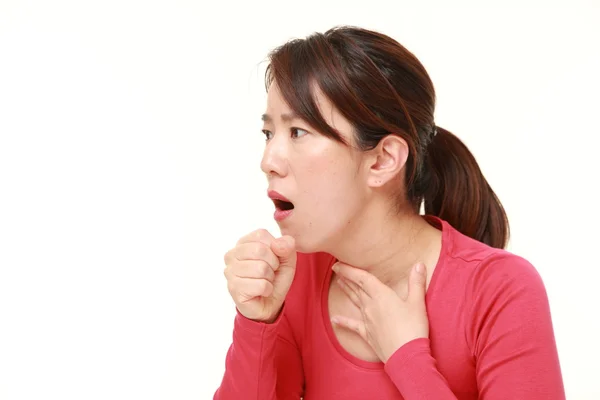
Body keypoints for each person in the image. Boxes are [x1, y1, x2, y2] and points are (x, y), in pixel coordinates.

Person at [213, 25, 565, 399]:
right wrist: (258, 321)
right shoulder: (296, 276)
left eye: (298, 132)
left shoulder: (501, 290)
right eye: (269, 134)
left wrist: (408, 360)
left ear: (383, 160)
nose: (268, 161)